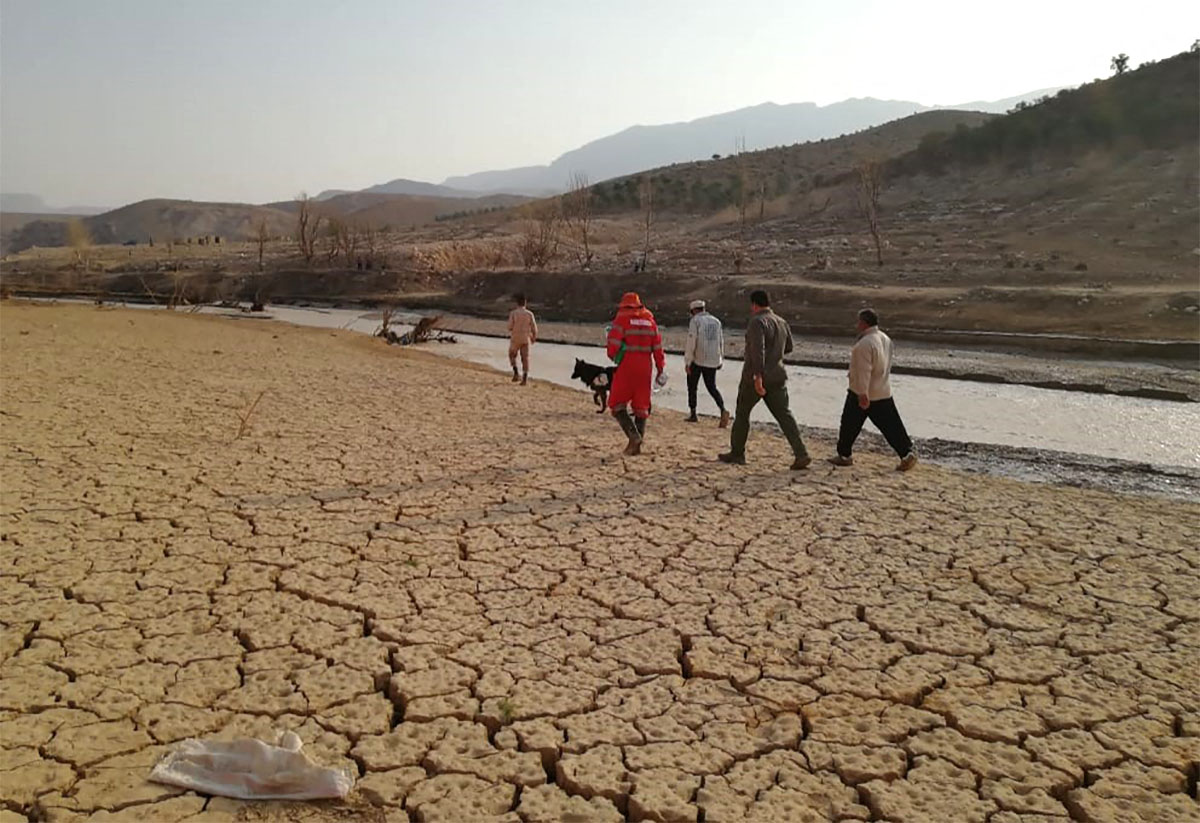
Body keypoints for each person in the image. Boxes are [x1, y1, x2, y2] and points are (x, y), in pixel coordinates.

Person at [719, 290, 811, 470]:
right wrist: (774, 356)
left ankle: (737, 453)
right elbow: (789, 347)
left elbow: (757, 351)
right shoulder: (782, 322)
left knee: (743, 413)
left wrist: (758, 376)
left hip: (755, 377)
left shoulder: (757, 322)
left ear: (754, 304)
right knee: (785, 415)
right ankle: (801, 453)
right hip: (778, 375)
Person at [829, 308, 917, 471]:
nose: (857, 325)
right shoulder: (885, 339)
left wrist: (862, 393)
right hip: (883, 390)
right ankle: (907, 452)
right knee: (892, 425)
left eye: (859, 322)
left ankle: (844, 455)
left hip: (862, 392)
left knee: (849, 424)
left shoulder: (864, 344)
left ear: (863, 323)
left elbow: (864, 370)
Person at [606, 292, 666, 455]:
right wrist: (660, 368)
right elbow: (658, 348)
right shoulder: (650, 321)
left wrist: (613, 356)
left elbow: (613, 345)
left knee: (617, 404)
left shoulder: (622, 319)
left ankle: (634, 437)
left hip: (627, 366)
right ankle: (636, 446)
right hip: (646, 367)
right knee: (641, 406)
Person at [683, 300, 730, 427]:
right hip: (713, 359)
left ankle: (693, 413)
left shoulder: (695, 321)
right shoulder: (716, 321)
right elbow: (721, 340)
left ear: (693, 311)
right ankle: (722, 409)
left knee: (692, 386)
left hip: (698, 358)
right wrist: (720, 359)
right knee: (711, 387)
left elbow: (691, 341)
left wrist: (688, 361)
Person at [506, 294, 537, 385]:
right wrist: (533, 337)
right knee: (525, 358)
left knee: (512, 355)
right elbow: (534, 327)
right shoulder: (529, 314)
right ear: (525, 303)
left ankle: (516, 372)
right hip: (525, 338)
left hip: (515, 337)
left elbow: (509, 327)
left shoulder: (514, 313)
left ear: (517, 303)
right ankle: (525, 378)